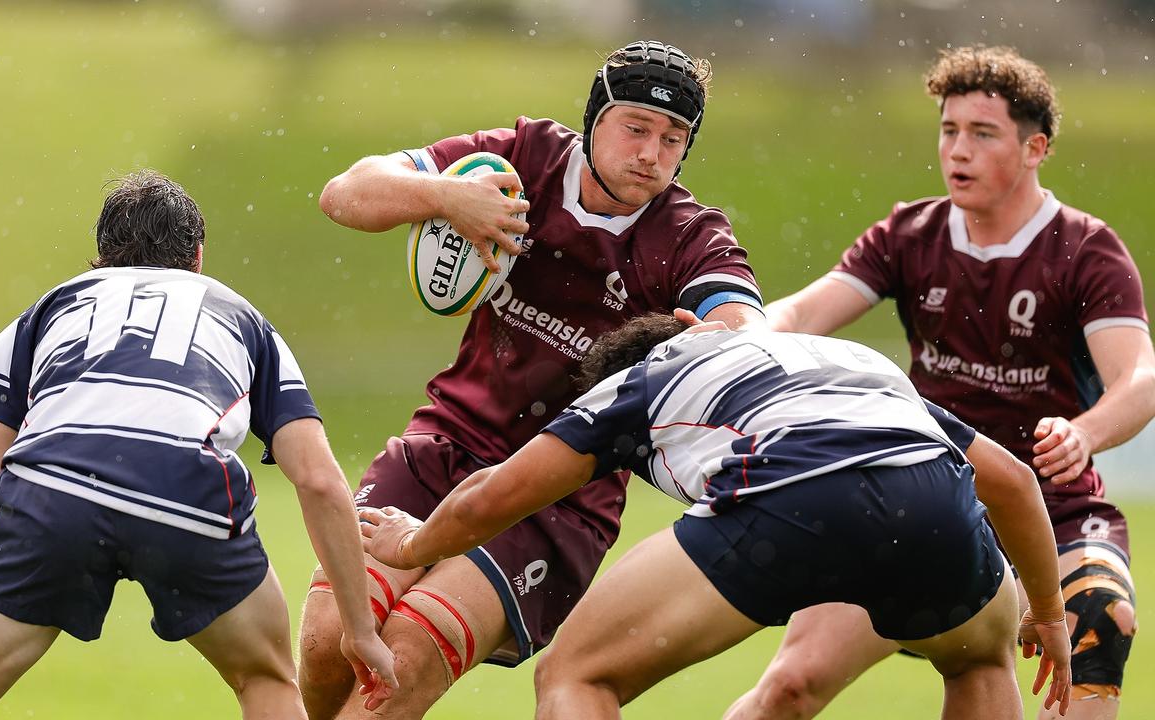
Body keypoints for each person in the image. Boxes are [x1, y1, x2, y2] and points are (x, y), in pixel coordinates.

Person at [303, 40, 766, 719]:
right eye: (635, 127)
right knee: (328, 643)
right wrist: (446, 196)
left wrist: (716, 337)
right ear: (594, 121)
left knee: (400, 662)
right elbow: (344, 194)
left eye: (673, 139)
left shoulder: (688, 234)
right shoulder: (523, 162)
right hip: (444, 446)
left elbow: (745, 328)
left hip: (557, 497)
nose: (651, 154)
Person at [359, 312, 1073, 719]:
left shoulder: (639, 382)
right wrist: (1047, 612)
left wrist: (414, 538)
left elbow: (496, 495)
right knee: (980, 660)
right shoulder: (839, 357)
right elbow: (1010, 482)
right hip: (936, 498)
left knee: (577, 676)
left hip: (795, 494)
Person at [732, 45, 1155, 720]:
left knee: (1103, 619)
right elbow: (805, 313)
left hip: (1056, 513)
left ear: (1035, 148)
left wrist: (1083, 433)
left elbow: (1138, 378)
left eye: (982, 134)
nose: (958, 150)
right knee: (789, 685)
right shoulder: (911, 234)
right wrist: (736, 333)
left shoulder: (1084, 250)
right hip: (923, 499)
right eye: (948, 130)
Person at [0, 170, 397, 719]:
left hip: (54, 494)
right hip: (185, 494)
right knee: (266, 678)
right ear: (199, 257)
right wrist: (359, 630)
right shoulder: (240, 316)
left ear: (101, 258)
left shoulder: (52, 307)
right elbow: (320, 480)